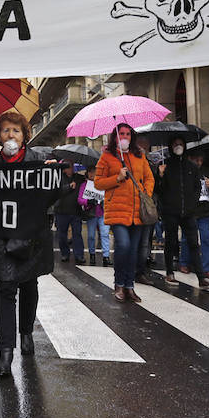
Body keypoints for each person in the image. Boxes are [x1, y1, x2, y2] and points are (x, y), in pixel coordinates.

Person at [0, 112, 55, 376]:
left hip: (32, 235)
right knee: (5, 288)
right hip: (2, 237)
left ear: (24, 135)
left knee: (29, 283)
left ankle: (26, 331)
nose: (10, 135)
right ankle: (5, 351)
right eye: (5, 131)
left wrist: (52, 175)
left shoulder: (39, 161)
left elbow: (53, 196)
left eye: (16, 130)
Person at [94, 123, 153, 302]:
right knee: (124, 245)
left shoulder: (139, 155)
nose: (125, 137)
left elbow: (149, 178)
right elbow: (98, 183)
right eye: (121, 134)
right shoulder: (106, 157)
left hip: (137, 211)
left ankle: (129, 287)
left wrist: (145, 193)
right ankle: (119, 284)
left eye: (128, 134)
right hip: (117, 210)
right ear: (115, 136)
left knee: (133, 250)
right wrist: (117, 178)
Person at [156, 137, 209, 289]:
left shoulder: (191, 166)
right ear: (170, 146)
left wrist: (193, 202)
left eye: (181, 144)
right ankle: (170, 272)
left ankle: (201, 277)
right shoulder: (164, 165)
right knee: (171, 242)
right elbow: (158, 190)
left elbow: (198, 187)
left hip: (189, 212)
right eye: (175, 144)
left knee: (193, 243)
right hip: (170, 212)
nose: (178, 146)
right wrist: (161, 176)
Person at [177, 152, 209, 280]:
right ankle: (184, 262)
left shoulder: (206, 171)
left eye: (201, 160)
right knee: (187, 237)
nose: (199, 162)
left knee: (205, 238)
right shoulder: (184, 171)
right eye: (196, 160)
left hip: (205, 210)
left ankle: (206, 268)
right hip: (190, 210)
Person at [135, 134, 161, 282]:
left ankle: (140, 271)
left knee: (145, 240)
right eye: (140, 143)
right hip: (134, 205)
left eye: (145, 143)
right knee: (134, 241)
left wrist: (160, 175)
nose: (143, 146)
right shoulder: (130, 161)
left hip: (148, 206)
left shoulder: (152, 163)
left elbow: (156, 185)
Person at [78, 166, 111, 266]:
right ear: (87, 173)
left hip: (103, 213)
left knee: (105, 234)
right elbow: (80, 200)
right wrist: (88, 201)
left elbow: (109, 197)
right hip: (91, 214)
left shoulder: (103, 184)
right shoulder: (84, 185)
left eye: (95, 172)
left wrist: (104, 202)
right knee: (91, 235)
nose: (92, 174)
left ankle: (106, 256)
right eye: (90, 172)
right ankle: (92, 254)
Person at [54, 161, 86, 264]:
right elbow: (55, 191)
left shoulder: (79, 178)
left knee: (77, 234)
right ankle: (65, 253)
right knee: (62, 235)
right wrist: (68, 186)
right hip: (61, 210)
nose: (70, 169)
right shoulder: (58, 178)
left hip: (76, 211)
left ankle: (79, 255)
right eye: (68, 167)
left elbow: (86, 185)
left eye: (71, 166)